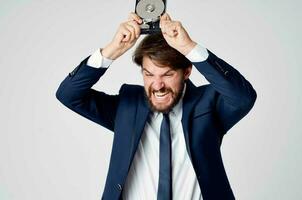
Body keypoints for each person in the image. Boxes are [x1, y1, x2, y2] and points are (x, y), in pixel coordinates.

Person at [56, 12, 257, 200]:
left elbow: (243, 97)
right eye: (149, 74)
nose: (158, 85)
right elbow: (68, 94)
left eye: (168, 75)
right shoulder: (127, 106)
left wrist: (188, 47)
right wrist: (112, 50)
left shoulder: (208, 105)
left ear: (187, 72)